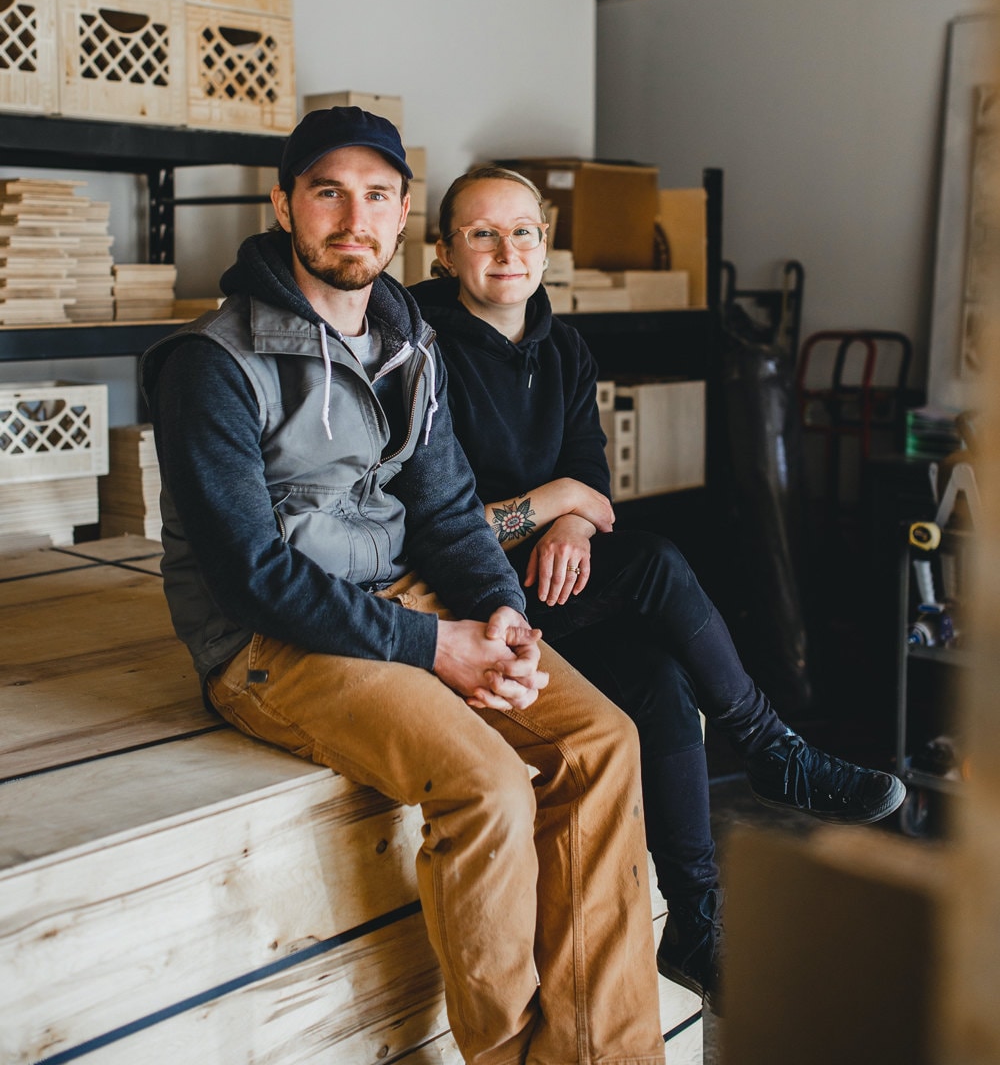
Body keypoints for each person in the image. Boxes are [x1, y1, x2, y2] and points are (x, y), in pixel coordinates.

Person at [140, 109, 666, 1065]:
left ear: (403, 214)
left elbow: (448, 507)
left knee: (603, 742)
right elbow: (252, 576)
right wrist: (436, 648)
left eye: (377, 195)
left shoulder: (406, 339)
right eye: (328, 192)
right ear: (284, 206)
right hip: (271, 645)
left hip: (408, 597)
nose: (354, 217)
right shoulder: (212, 365)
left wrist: (496, 608)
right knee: (489, 785)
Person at [410, 164, 908, 1009]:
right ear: (445, 249)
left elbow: (591, 479)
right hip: (460, 600)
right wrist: (560, 504)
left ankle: (696, 920)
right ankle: (770, 748)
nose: (507, 251)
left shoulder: (562, 347)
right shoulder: (419, 350)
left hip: (547, 585)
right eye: (482, 233)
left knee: (664, 683)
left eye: (523, 231)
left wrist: (571, 518)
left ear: (546, 242)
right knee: (658, 562)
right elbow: (438, 525)